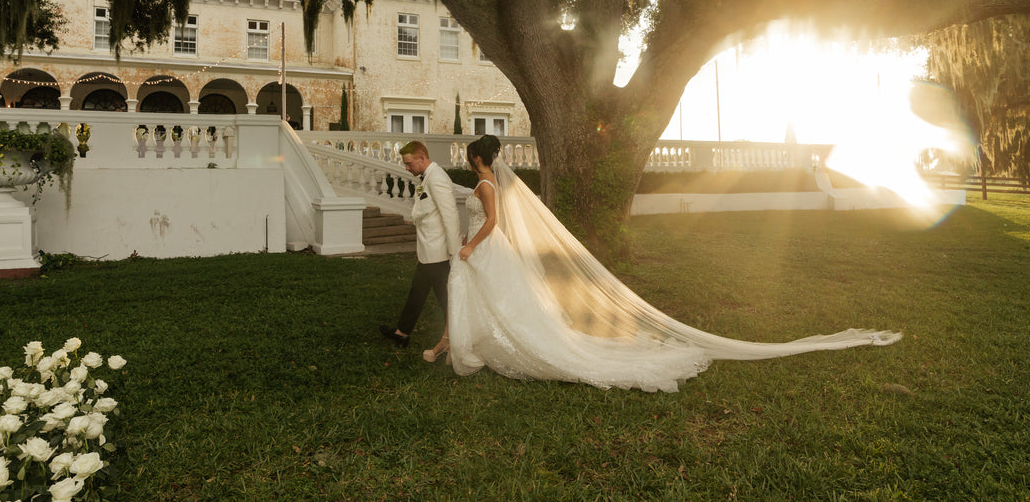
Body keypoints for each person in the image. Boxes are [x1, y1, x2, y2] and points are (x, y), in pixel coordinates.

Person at [443, 135, 901, 393]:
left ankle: (484, 343)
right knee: (504, 300)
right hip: (485, 252)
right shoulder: (493, 184)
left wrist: (468, 245)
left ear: (478, 159)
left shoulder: (487, 188)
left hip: (484, 248)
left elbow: (494, 223)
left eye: (470, 157)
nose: (470, 161)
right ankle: (472, 340)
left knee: (508, 302)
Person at [378, 141, 461, 358]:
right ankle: (402, 333)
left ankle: (459, 337)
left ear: (422, 158)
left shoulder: (438, 178)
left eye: (408, 163)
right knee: (418, 292)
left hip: (439, 254)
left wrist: (454, 252)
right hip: (428, 253)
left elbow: (450, 216)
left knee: (446, 300)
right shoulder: (428, 178)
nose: (406, 168)